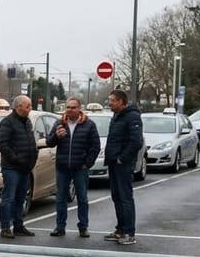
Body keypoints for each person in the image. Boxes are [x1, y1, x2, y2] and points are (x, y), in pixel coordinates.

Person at [46, 98, 100, 237]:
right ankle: (60, 227)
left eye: (73, 107)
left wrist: (87, 163)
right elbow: (49, 142)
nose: (70, 110)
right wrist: (56, 136)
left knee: (82, 198)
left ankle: (83, 227)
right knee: (60, 198)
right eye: (68, 107)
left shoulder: (89, 125)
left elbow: (95, 147)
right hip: (62, 166)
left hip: (80, 168)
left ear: (79, 109)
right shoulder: (59, 123)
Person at [103, 89, 143, 245]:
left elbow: (136, 142)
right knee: (117, 197)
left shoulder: (132, 117)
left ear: (121, 101)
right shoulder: (116, 116)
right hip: (113, 162)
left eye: (112, 100)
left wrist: (122, 158)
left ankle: (129, 232)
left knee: (125, 198)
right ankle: (120, 230)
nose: (110, 103)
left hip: (123, 164)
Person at [0, 95, 37, 238]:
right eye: (28, 106)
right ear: (18, 107)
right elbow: (2, 144)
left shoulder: (27, 122)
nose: (30, 109)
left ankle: (18, 226)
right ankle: (5, 227)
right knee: (9, 198)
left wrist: (32, 158)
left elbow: (31, 141)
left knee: (21, 198)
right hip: (12, 168)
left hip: (25, 167)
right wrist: (16, 159)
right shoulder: (7, 123)